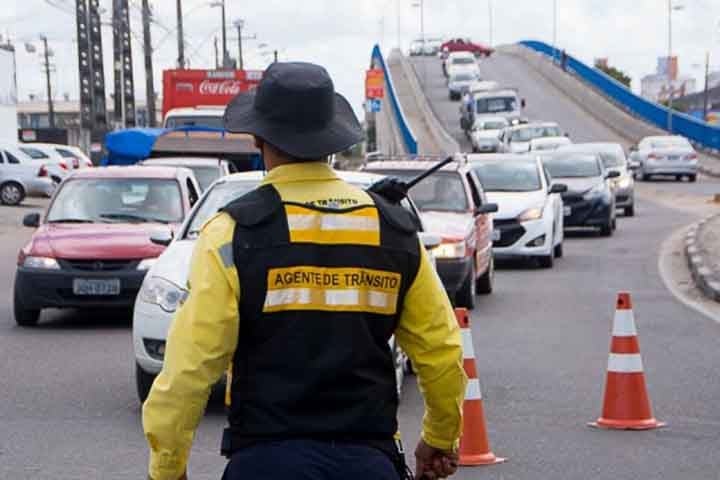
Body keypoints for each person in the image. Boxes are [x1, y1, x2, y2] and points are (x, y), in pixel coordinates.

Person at [142, 62, 467, 480]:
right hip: (367, 461)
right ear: (331, 139)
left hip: (264, 462)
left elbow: (190, 367)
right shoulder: (393, 230)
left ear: (258, 137)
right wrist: (439, 438)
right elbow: (440, 351)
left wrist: (168, 467)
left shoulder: (231, 233)